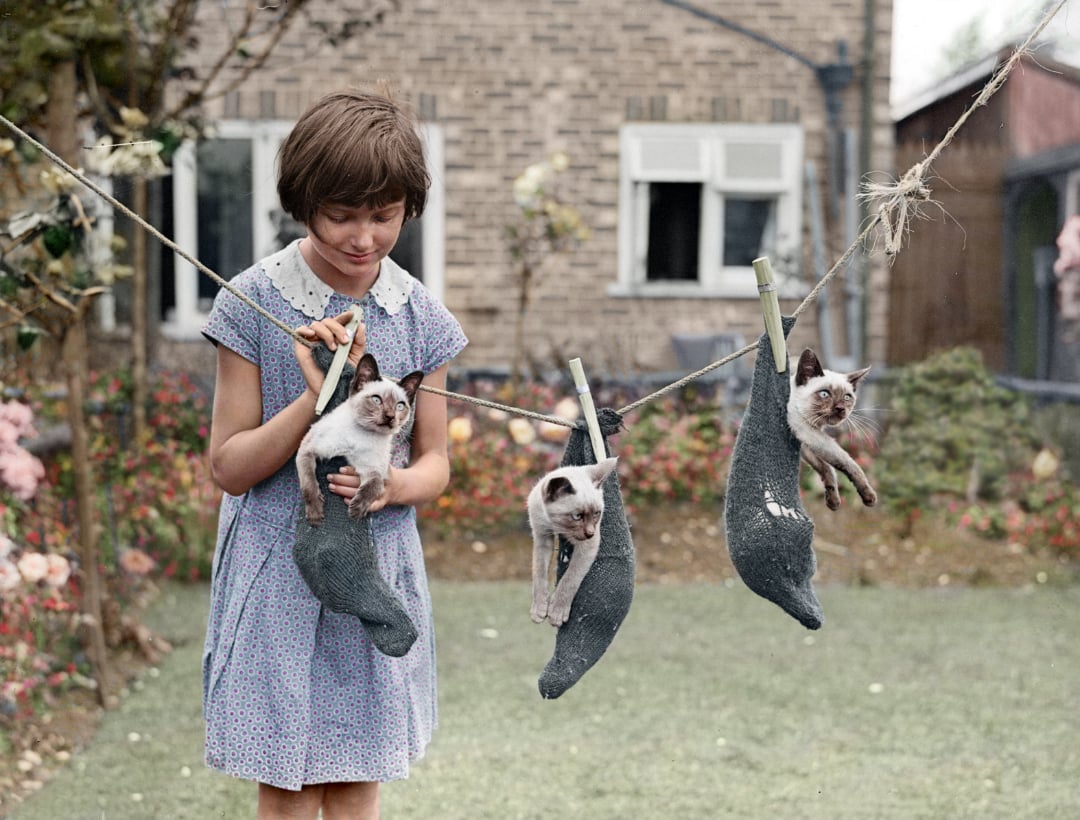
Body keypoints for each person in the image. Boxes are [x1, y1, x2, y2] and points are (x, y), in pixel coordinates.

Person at [201, 89, 467, 820]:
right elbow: (228, 467)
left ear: (409, 207)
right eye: (342, 214)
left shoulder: (422, 320)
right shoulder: (251, 302)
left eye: (383, 215)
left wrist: (396, 485)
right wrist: (318, 395)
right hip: (276, 563)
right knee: (287, 784)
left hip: (374, 569)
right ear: (302, 203)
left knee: (355, 778)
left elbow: (436, 462)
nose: (362, 237)